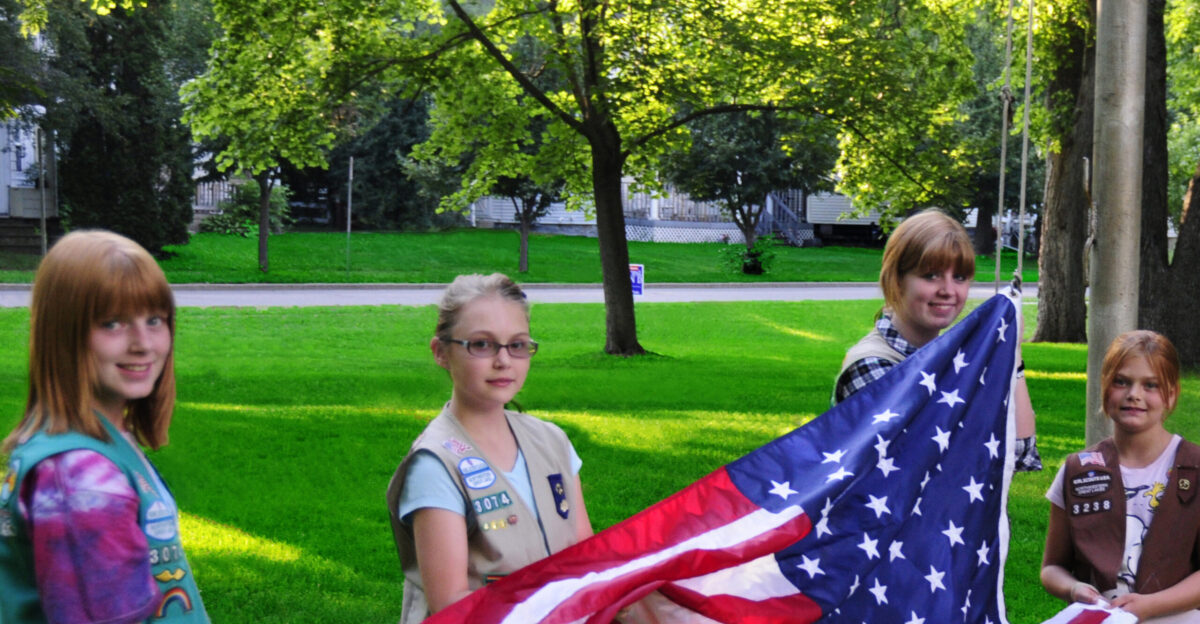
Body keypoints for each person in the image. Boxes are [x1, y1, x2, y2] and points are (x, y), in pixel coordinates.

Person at [0, 231, 209, 623]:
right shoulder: (78, 476)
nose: (143, 344)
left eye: (154, 319)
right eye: (112, 324)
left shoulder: (95, 438)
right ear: (62, 335)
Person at [386, 273, 593, 623]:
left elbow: (585, 555)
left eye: (517, 344)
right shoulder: (437, 464)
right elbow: (452, 604)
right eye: (481, 345)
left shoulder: (552, 440)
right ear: (441, 352)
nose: (503, 361)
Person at [833, 208, 1041, 471]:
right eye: (931, 275)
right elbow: (936, 462)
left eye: (960, 277)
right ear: (896, 279)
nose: (948, 291)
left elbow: (1020, 453)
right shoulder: (872, 366)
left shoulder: (954, 361)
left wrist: (1012, 356)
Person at [1041, 331, 1200, 622]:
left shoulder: (1195, 467)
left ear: (1172, 394)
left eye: (1150, 385)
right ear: (1104, 386)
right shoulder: (1078, 470)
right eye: (1121, 381)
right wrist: (1076, 589)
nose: (1133, 394)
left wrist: (1149, 606)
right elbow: (1052, 567)